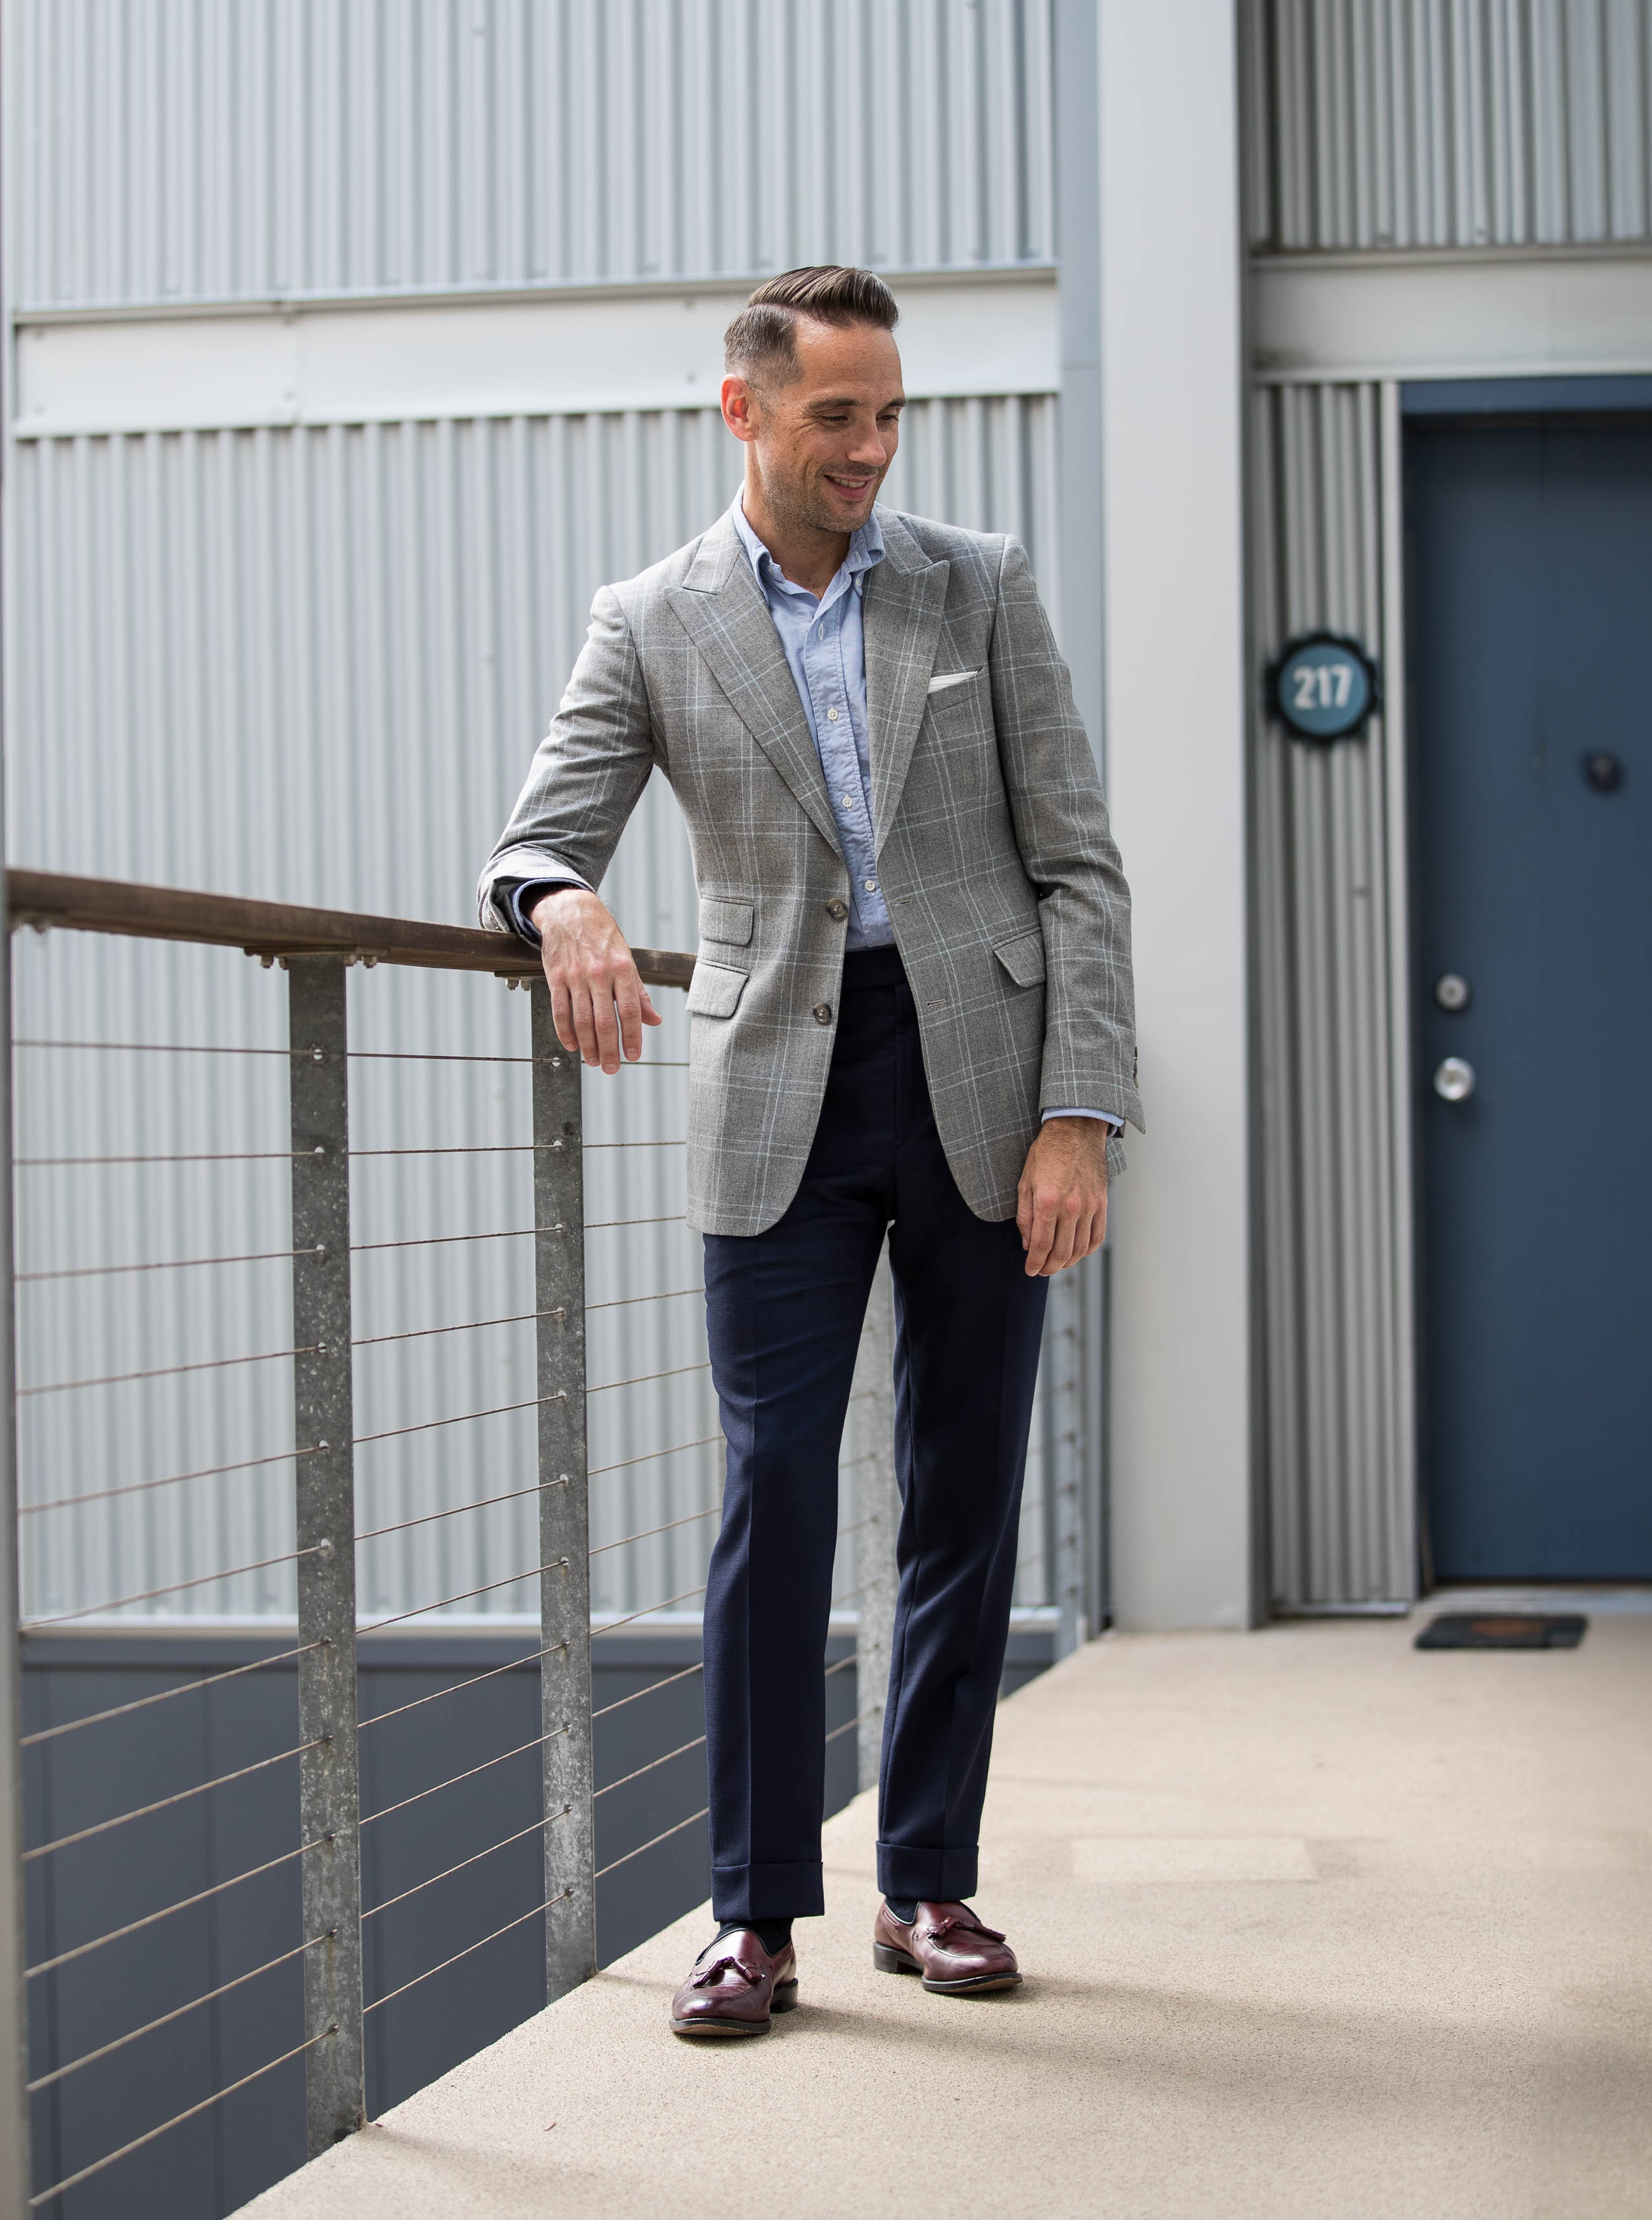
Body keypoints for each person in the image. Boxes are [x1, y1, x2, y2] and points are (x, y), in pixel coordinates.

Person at [479, 264, 1139, 2039]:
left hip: (983, 1081)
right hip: (776, 1081)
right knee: (774, 1489)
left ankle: (928, 1879)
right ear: (745, 411)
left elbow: (1075, 863)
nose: (870, 448)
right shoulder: (651, 618)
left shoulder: (978, 584)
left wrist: (1080, 1111)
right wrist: (566, 910)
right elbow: (540, 831)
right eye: (836, 414)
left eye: (887, 413)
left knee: (963, 1483)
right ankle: (754, 1910)